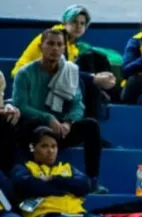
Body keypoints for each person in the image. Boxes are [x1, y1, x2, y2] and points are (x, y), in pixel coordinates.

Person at [12, 29, 106, 194]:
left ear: (64, 48)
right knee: (26, 122)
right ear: (41, 46)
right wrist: (47, 118)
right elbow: (20, 105)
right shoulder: (25, 73)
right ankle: (26, 176)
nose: (55, 48)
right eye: (50, 44)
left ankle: (93, 180)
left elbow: (78, 105)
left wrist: (68, 123)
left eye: (59, 44)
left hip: (60, 130)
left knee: (91, 125)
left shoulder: (69, 72)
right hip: (34, 130)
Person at [12, 5, 117, 118]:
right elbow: (62, 71)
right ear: (65, 22)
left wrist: (95, 77)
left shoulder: (73, 46)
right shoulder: (55, 37)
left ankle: (83, 122)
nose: (78, 26)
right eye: (74, 21)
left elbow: (66, 71)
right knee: (79, 83)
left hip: (50, 76)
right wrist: (93, 78)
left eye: (82, 23)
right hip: (30, 78)